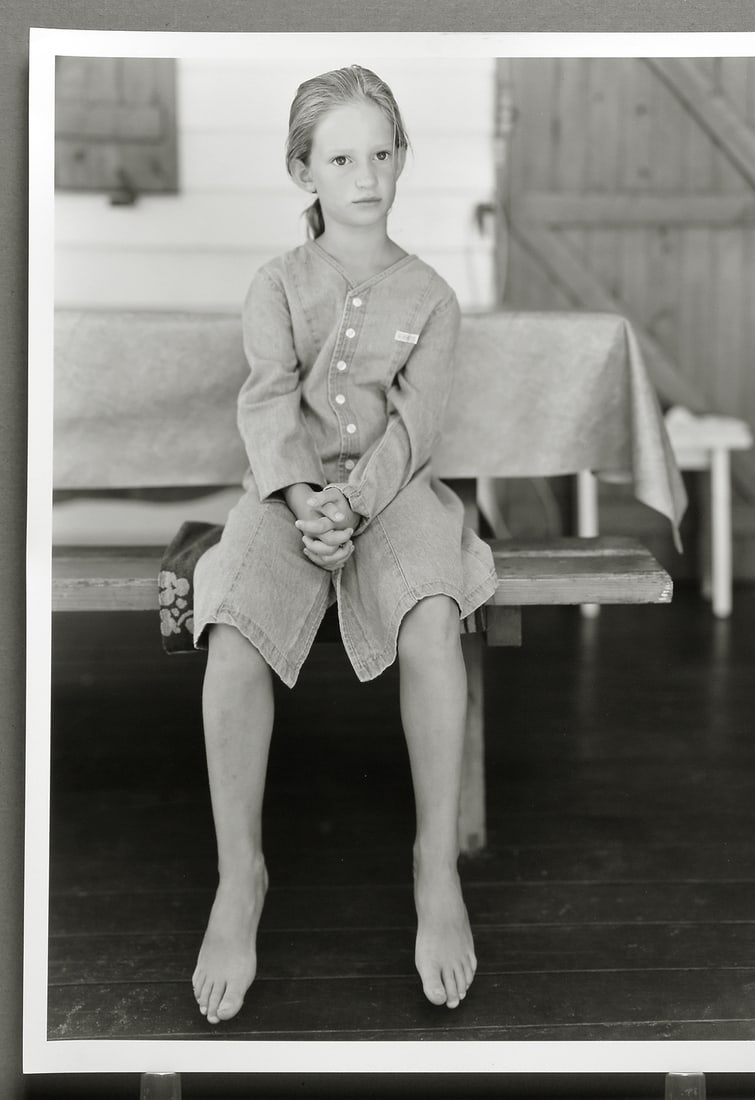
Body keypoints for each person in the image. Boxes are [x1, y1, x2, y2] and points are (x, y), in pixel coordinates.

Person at [186, 64, 498, 1026]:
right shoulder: (276, 284)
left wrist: (355, 504)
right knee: (232, 625)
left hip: (395, 497)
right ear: (303, 171)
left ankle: (434, 870)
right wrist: (303, 498)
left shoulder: (432, 297)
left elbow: (415, 429)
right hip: (283, 493)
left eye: (380, 153)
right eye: (339, 158)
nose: (364, 175)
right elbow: (268, 399)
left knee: (432, 615)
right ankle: (241, 881)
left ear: (401, 159)